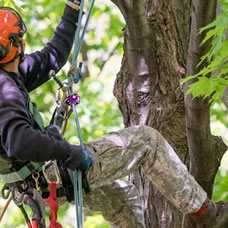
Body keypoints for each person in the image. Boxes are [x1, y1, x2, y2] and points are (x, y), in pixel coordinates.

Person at [0, 2, 227, 228]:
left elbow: (53, 57)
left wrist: (72, 8)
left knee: (123, 201)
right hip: (48, 174)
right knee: (147, 141)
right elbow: (19, 142)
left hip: (37, 181)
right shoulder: (4, 89)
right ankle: (207, 214)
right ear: (14, 44)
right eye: (20, 37)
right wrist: (68, 152)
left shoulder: (13, 72)